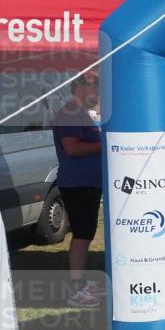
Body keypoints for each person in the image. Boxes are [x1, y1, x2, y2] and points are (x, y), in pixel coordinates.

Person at [52, 72, 104, 309]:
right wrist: (103, 144)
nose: (98, 93)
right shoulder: (70, 113)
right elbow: (72, 148)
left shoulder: (79, 113)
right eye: (95, 87)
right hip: (78, 183)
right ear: (80, 88)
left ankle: (81, 283)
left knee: (86, 233)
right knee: (82, 234)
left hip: (86, 183)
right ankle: (76, 290)